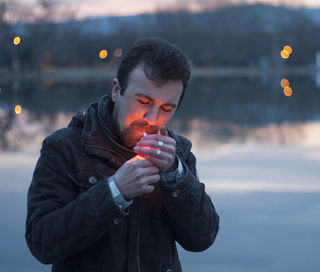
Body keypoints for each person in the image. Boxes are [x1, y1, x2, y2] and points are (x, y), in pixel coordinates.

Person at [25, 37, 220, 272]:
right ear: (117, 90)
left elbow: (202, 238)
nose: (153, 118)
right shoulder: (63, 148)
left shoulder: (177, 151)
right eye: (144, 101)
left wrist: (175, 175)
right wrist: (114, 191)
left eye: (167, 108)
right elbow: (42, 243)